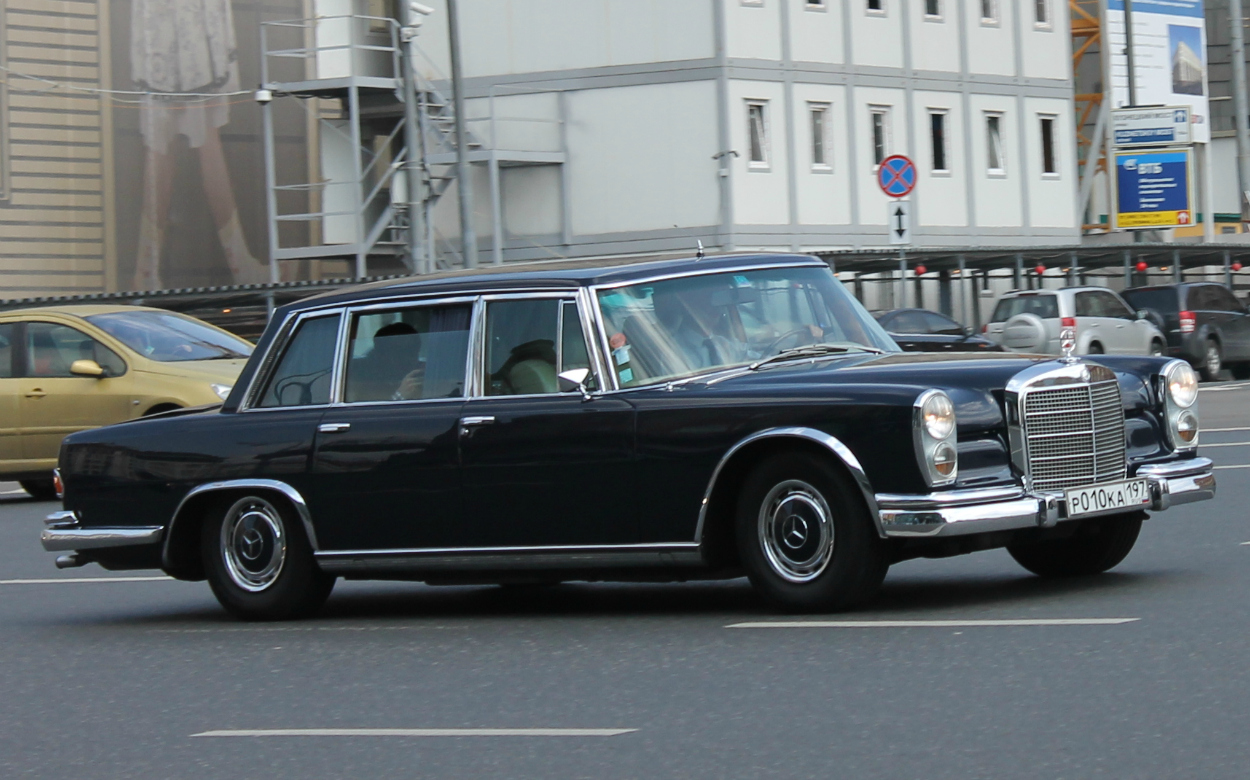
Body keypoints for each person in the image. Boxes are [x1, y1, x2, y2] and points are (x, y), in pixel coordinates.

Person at [130, 0, 268, 290]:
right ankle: (240, 265)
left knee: (167, 144)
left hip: (171, 33)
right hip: (186, 32)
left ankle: (146, 270)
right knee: (195, 139)